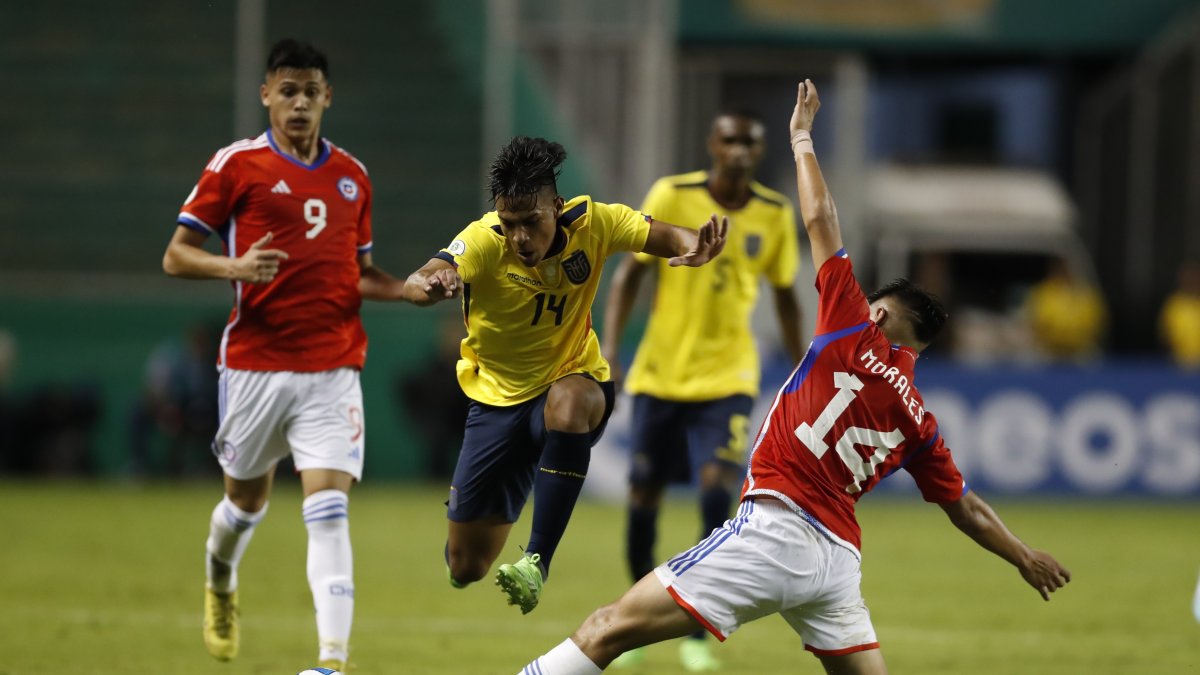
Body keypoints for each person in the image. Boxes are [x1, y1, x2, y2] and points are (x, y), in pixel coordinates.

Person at [517, 80, 1071, 675]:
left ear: (879, 313)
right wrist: (1022, 556)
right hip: (836, 565)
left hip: (773, 533)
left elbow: (818, 216)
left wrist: (802, 137)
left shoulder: (851, 329)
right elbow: (967, 509)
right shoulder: (919, 422)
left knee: (605, 630)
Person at [400, 135, 728, 615]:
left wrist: (694, 245)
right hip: (496, 401)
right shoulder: (482, 241)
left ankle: (536, 560)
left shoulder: (594, 222)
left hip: (573, 379)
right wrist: (430, 285)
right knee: (466, 565)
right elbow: (420, 278)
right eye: (510, 224)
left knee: (570, 402)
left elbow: (664, 235)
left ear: (557, 206)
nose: (520, 238)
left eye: (531, 222)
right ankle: (483, 529)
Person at [163, 39, 410, 671]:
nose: (299, 103)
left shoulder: (353, 176)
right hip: (254, 366)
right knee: (244, 505)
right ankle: (220, 577)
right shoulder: (236, 166)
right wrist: (234, 264)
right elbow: (176, 255)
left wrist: (409, 289)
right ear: (266, 94)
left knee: (328, 508)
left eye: (310, 92)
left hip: (332, 368)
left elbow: (359, 274)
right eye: (287, 90)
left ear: (327, 97)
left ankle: (331, 662)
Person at [601, 110, 804, 671]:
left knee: (718, 490)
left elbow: (785, 294)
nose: (739, 149)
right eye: (731, 139)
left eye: (750, 142)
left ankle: (695, 630)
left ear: (759, 152)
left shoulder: (775, 213)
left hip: (729, 375)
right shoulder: (672, 193)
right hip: (661, 373)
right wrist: (612, 351)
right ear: (713, 144)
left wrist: (802, 365)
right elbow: (630, 275)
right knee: (643, 493)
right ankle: (634, 626)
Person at [1024, 256, 1107, 362]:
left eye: (1065, 270)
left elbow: (1097, 321)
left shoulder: (1085, 294)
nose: (1062, 274)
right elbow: (1034, 321)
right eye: (1058, 270)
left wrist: (1076, 337)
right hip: (1048, 349)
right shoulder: (1043, 293)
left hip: (1079, 350)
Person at [1158, 260, 1200, 369]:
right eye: (1188, 278)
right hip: (1178, 362)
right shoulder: (1173, 304)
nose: (1191, 281)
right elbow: (1165, 333)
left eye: (1194, 278)